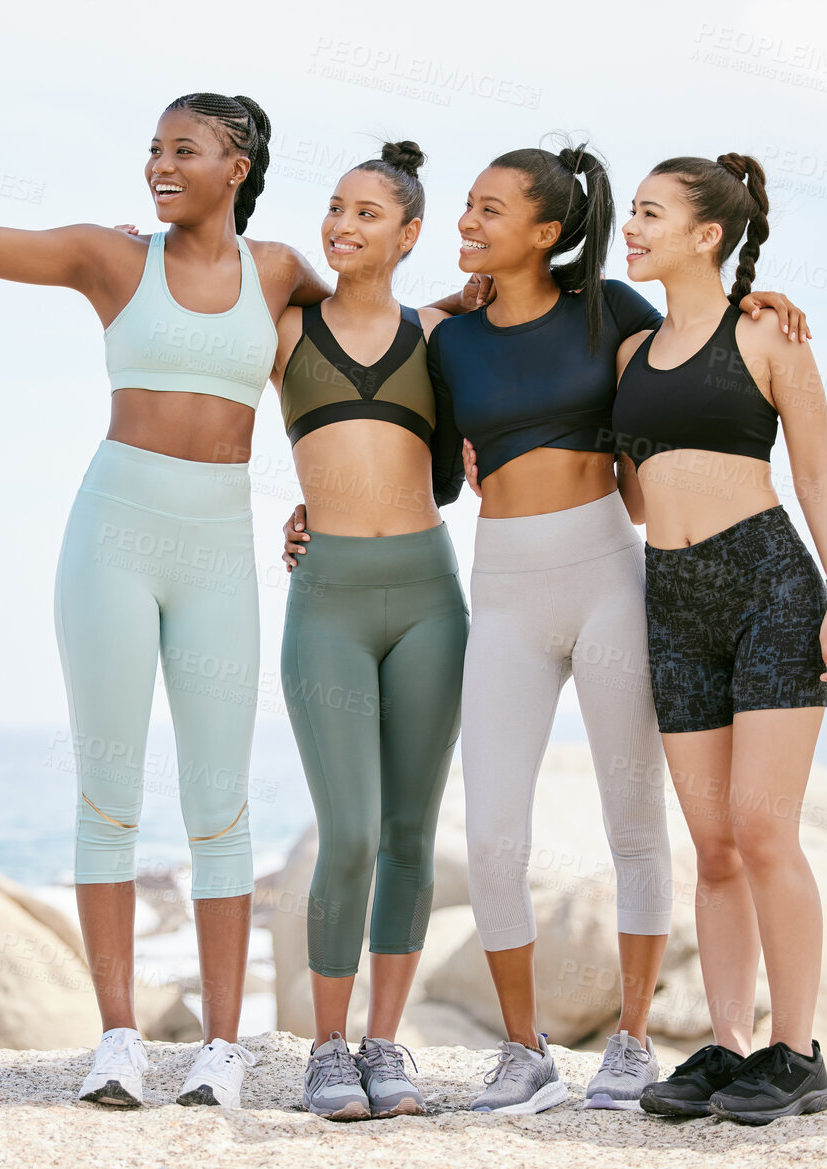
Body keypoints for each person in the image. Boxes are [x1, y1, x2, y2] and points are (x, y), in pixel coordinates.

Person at [0, 70, 335, 1109]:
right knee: (107, 796)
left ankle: (223, 1048)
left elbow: (366, 351)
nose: (157, 164)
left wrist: (338, 482)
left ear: (234, 166)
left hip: (217, 546)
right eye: (152, 147)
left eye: (181, 149)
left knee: (217, 804)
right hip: (112, 534)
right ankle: (116, 1040)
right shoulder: (109, 257)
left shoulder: (279, 271)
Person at [426, 142, 808, 1114]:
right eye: (463, 207)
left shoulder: (613, 310)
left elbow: (698, 340)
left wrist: (764, 303)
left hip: (609, 571)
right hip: (507, 583)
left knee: (641, 822)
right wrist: (313, 506)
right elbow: (412, 455)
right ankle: (523, 1051)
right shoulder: (446, 335)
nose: (464, 221)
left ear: (547, 229)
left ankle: (637, 1041)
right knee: (494, 827)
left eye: (486, 207)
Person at [613, 152, 827, 1125]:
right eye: (628, 213)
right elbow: (634, 494)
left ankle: (794, 1052)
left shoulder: (764, 332)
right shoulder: (629, 356)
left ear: (705, 234)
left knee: (762, 831)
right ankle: (724, 1045)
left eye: (647, 214)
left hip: (766, 584)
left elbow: (815, 473)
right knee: (710, 845)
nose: (628, 229)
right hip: (670, 597)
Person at [268, 141, 469, 1120]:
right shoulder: (282, 330)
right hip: (330, 598)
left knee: (407, 833)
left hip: (430, 594)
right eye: (334, 209)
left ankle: (385, 1044)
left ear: (408, 234)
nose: (341, 227)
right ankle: (324, 1046)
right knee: (345, 832)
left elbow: (534, 288)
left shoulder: (438, 331)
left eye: (365, 213)